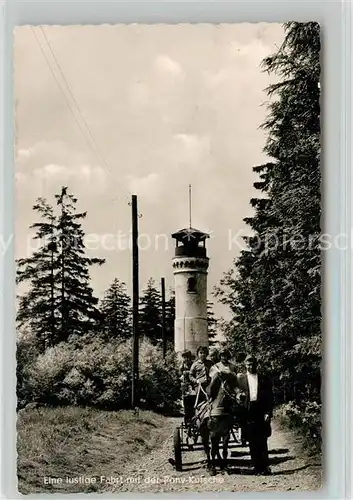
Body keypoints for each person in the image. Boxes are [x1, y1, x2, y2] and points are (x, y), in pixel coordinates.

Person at [237, 354, 274, 475]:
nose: (250, 366)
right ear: (245, 365)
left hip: (261, 411)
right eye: (248, 364)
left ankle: (265, 467)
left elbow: (270, 397)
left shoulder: (264, 378)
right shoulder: (240, 379)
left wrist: (268, 412)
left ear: (256, 364)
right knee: (252, 441)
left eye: (252, 364)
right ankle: (257, 467)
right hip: (248, 412)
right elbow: (236, 393)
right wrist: (238, 396)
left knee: (262, 439)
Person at [179, 350, 196, 425]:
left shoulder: (193, 364)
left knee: (194, 402)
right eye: (185, 357)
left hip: (193, 384)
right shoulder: (182, 365)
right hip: (185, 385)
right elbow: (180, 374)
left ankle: (194, 418)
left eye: (188, 357)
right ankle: (187, 420)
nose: (186, 359)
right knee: (186, 403)